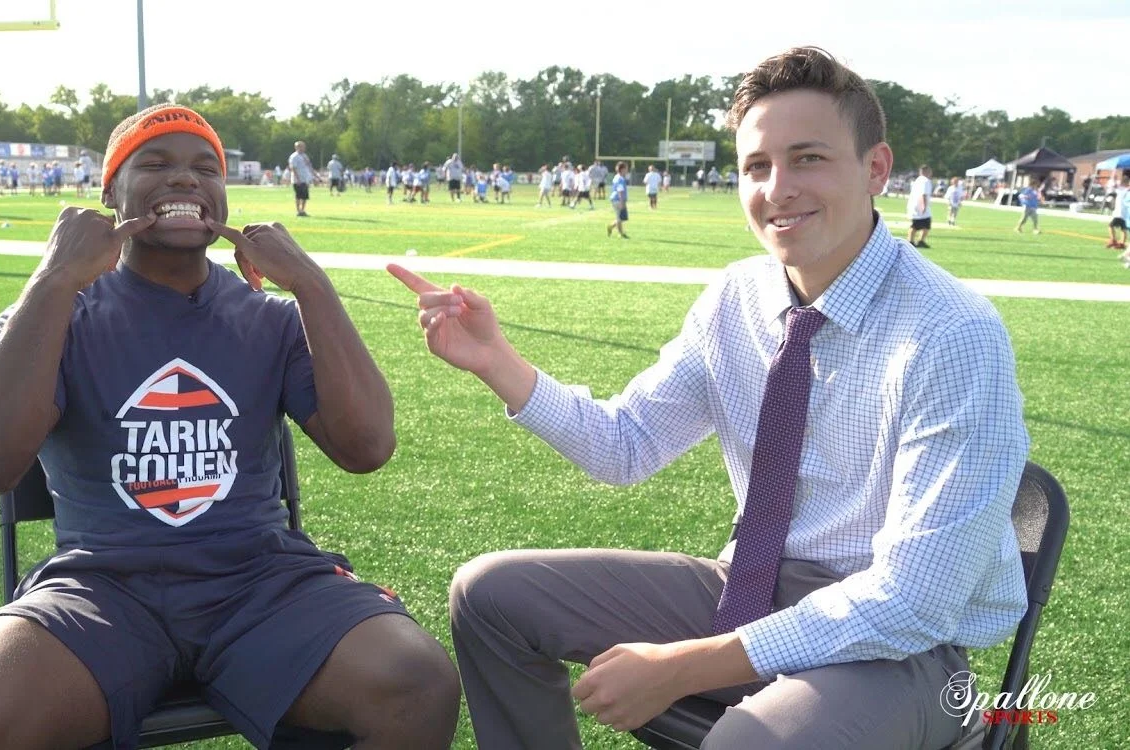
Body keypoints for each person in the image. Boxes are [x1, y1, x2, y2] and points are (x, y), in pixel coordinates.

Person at [388, 46, 1028, 750]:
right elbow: (625, 444)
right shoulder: (737, 296)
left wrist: (680, 667)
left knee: (747, 743)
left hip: (904, 653)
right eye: (756, 166)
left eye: (807, 158)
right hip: (752, 593)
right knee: (490, 596)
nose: (776, 188)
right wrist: (497, 362)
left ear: (875, 168)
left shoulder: (952, 332)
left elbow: (914, 602)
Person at [0, 104, 461, 750]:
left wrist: (312, 287)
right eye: (154, 163)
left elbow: (367, 447)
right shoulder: (54, 314)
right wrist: (54, 279)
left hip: (263, 585)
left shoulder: (270, 319)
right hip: (101, 590)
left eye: (204, 168)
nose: (184, 179)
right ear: (110, 192)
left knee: (417, 683)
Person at [288, 140, 317, 217]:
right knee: (298, 196)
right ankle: (298, 211)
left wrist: (315, 176)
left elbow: (309, 166)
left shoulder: (304, 156)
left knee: (305, 196)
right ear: (297, 147)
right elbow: (293, 168)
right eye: (302, 146)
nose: (303, 148)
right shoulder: (294, 156)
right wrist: (297, 179)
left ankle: (303, 210)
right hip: (297, 180)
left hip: (305, 179)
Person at [907, 164, 933, 248]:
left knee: (921, 224)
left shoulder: (918, 180)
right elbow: (923, 194)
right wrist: (923, 206)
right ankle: (913, 240)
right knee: (916, 225)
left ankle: (915, 240)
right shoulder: (925, 181)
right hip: (919, 206)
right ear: (927, 171)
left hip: (915, 205)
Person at [606, 161, 629, 238]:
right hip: (618, 199)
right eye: (626, 169)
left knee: (621, 217)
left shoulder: (616, 177)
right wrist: (622, 201)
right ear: (622, 169)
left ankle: (611, 226)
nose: (627, 170)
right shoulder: (620, 179)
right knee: (619, 217)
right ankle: (620, 233)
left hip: (616, 199)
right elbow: (620, 190)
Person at [1108, 175, 1130, 250]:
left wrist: (1113, 179)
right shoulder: (1126, 190)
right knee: (1123, 228)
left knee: (1111, 226)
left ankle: (1113, 240)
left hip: (1119, 212)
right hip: (1125, 213)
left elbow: (1114, 186)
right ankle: (1122, 243)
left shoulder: (1121, 189)